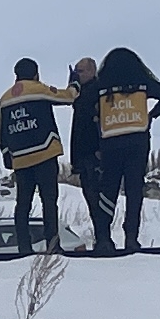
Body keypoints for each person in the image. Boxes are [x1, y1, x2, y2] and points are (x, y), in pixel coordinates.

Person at [87, 45, 160, 249]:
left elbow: (83, 103)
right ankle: (131, 237)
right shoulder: (142, 84)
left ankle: (103, 237)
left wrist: (96, 118)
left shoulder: (101, 87)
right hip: (138, 142)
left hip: (110, 143)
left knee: (108, 190)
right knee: (134, 190)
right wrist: (151, 115)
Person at [0, 60, 70, 251]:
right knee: (49, 202)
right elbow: (67, 97)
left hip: (20, 159)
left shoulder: (4, 99)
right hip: (45, 154)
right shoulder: (39, 89)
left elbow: (0, 130)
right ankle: (52, 244)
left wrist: (7, 154)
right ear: (36, 74)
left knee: (22, 205)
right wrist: (75, 83)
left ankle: (23, 247)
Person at [62, 54, 113, 251]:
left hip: (95, 154)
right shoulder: (81, 94)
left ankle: (104, 238)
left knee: (98, 198)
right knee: (91, 198)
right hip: (83, 156)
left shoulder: (97, 91)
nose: (76, 75)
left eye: (80, 71)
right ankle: (102, 237)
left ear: (92, 71)